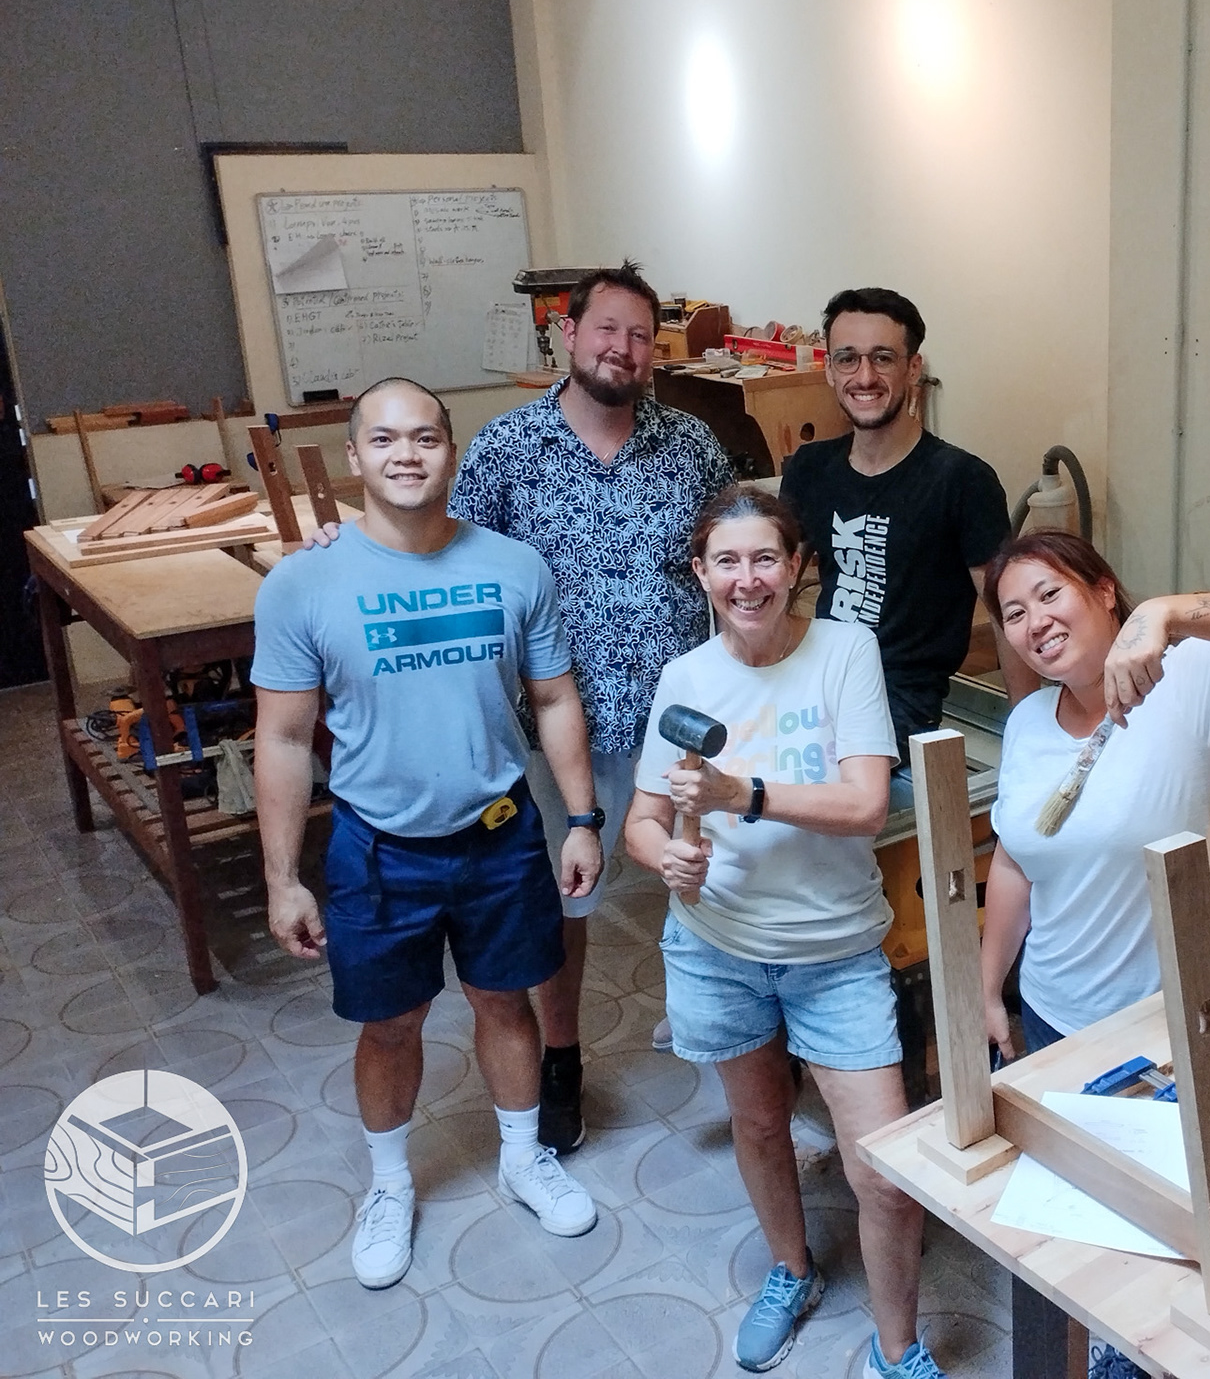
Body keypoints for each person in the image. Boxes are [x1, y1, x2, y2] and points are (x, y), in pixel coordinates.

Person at [253, 377, 603, 1292]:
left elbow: (554, 697)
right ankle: (390, 1184)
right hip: (378, 851)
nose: (406, 455)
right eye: (384, 439)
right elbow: (283, 738)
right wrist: (283, 876)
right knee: (390, 1024)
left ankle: (523, 1157)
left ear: (452, 451)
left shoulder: (514, 566)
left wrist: (582, 819)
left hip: (499, 836)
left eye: (425, 438)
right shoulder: (304, 582)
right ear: (355, 457)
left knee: (506, 1003)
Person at [624, 485, 946, 1379]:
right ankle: (792, 1271)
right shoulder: (685, 679)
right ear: (700, 573)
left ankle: (896, 1350)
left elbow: (866, 804)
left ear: (798, 565)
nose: (748, 579)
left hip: (835, 954)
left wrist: (743, 794)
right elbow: (642, 821)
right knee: (761, 1125)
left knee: (881, 1172)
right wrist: (665, 857)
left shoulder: (845, 652)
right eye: (726, 561)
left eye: (766, 557)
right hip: (717, 948)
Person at [450, 261, 734, 1144]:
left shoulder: (692, 445)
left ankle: (736, 1038)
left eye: (641, 335)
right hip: (556, 728)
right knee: (565, 902)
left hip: (681, 727)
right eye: (607, 329)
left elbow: (734, 559)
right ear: (568, 335)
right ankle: (563, 1057)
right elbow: (453, 564)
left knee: (713, 879)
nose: (623, 348)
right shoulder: (506, 448)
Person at [978, 531, 1210, 1057]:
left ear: (1104, 591)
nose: (1036, 622)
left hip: (1185, 1014)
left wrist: (1163, 612)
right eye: (1015, 614)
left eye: (1050, 594)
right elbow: (1013, 863)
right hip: (1054, 1013)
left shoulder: (1189, 678)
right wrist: (987, 987)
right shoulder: (1027, 721)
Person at [780, 287, 1037, 807]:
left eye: (883, 358)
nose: (864, 377)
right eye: (847, 359)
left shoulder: (961, 480)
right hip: (815, 685)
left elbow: (1007, 609)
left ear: (913, 368)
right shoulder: (809, 469)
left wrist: (1030, 738)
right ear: (829, 370)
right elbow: (776, 583)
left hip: (898, 706)